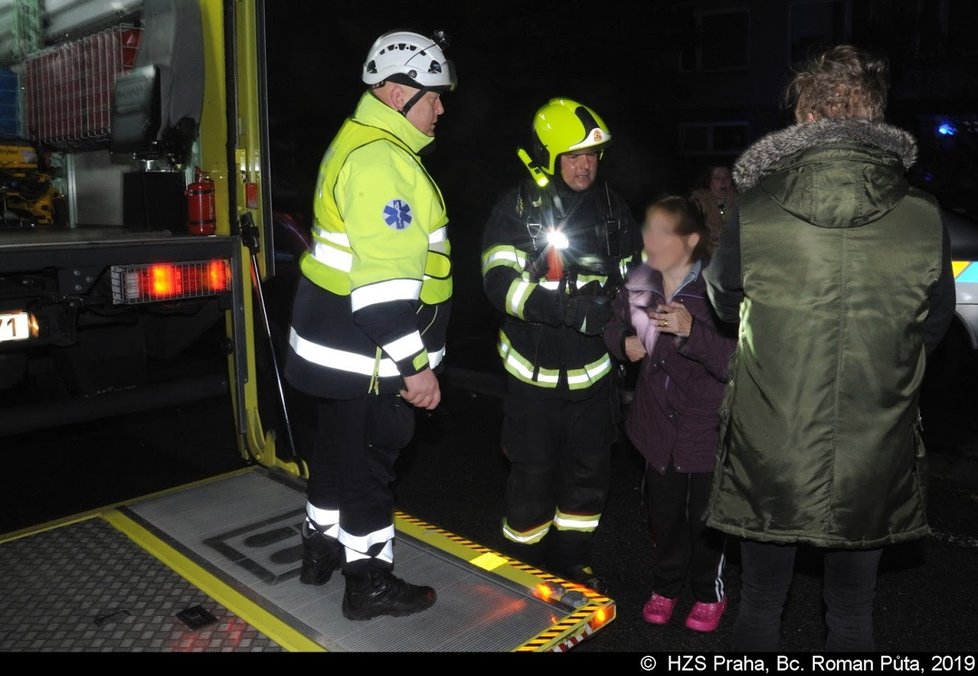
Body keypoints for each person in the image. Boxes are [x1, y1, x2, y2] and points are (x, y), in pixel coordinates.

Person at [703, 44, 956, 651]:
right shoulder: (923, 215)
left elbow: (721, 296)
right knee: (852, 608)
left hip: (772, 442)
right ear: (874, 118)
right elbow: (936, 320)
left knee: (761, 601)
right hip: (874, 444)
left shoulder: (757, 208)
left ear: (806, 115)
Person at [283, 29, 457, 621]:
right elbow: (382, 296)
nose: (440, 107)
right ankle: (368, 585)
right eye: (432, 94)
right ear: (393, 90)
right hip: (369, 354)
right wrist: (417, 369)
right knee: (368, 472)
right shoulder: (384, 162)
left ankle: (318, 553)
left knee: (335, 454)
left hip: (332, 347)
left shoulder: (358, 140)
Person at [481, 98, 639, 593]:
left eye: (591, 155)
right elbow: (498, 282)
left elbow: (639, 280)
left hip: (594, 376)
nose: (584, 165)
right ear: (547, 156)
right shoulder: (516, 209)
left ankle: (572, 561)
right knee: (531, 480)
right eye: (572, 155)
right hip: (532, 376)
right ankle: (522, 567)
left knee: (589, 478)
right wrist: (565, 309)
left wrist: (624, 313)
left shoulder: (614, 209)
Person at [603, 195, 737, 632]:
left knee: (704, 521)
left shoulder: (721, 292)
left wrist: (692, 331)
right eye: (649, 229)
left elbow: (737, 362)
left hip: (704, 428)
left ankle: (707, 593)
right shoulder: (639, 281)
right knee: (662, 514)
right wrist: (621, 341)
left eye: (663, 232)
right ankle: (665, 586)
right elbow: (612, 321)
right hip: (655, 424)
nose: (650, 239)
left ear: (691, 240)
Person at [689, 164, 736, 247]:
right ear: (709, 180)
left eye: (727, 177)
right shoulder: (699, 201)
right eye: (717, 178)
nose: (723, 182)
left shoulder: (739, 199)